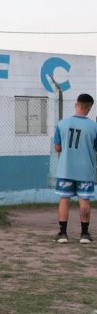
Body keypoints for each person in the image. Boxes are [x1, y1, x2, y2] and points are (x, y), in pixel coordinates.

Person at [53, 93, 97, 244]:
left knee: (64, 199)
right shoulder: (94, 126)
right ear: (89, 108)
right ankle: (84, 234)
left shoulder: (61, 124)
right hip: (85, 171)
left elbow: (57, 148)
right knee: (84, 200)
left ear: (76, 104)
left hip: (65, 169)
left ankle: (63, 233)